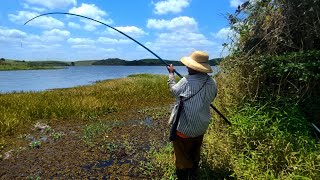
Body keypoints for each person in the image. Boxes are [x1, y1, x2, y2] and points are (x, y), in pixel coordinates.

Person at [167, 50, 217, 179]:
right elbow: (212, 98)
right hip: (201, 126)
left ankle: (183, 173)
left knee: (181, 153)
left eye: (189, 65)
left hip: (184, 129)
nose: (187, 67)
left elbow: (173, 91)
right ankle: (194, 170)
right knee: (195, 149)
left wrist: (171, 74)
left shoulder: (186, 81)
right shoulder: (212, 83)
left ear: (195, 68)